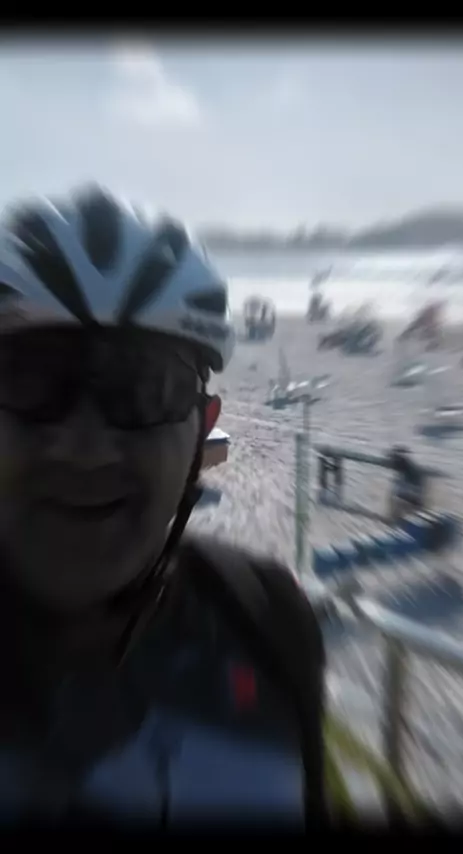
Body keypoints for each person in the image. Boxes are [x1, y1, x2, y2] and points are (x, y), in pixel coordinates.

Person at [0, 184, 326, 828]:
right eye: (29, 379)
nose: (86, 449)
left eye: (143, 390)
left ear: (203, 430)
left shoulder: (267, 617)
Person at [388, 445, 427, 524]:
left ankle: (397, 519)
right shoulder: (408, 466)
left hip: (411, 487)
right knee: (406, 502)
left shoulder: (405, 466)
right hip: (414, 487)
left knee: (399, 501)